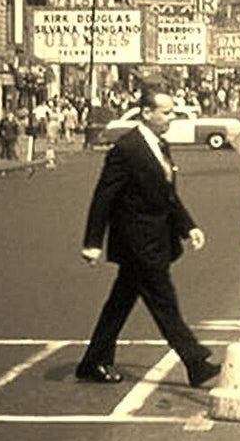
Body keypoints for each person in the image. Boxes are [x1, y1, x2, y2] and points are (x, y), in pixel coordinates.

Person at [76, 87, 220, 389]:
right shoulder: (127, 149)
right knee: (163, 301)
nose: (171, 117)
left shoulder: (159, 145)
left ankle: (93, 361)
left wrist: (188, 226)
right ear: (147, 112)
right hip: (137, 242)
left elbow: (167, 195)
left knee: (119, 303)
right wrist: (92, 242)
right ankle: (195, 362)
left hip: (156, 238)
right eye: (166, 112)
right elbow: (104, 197)